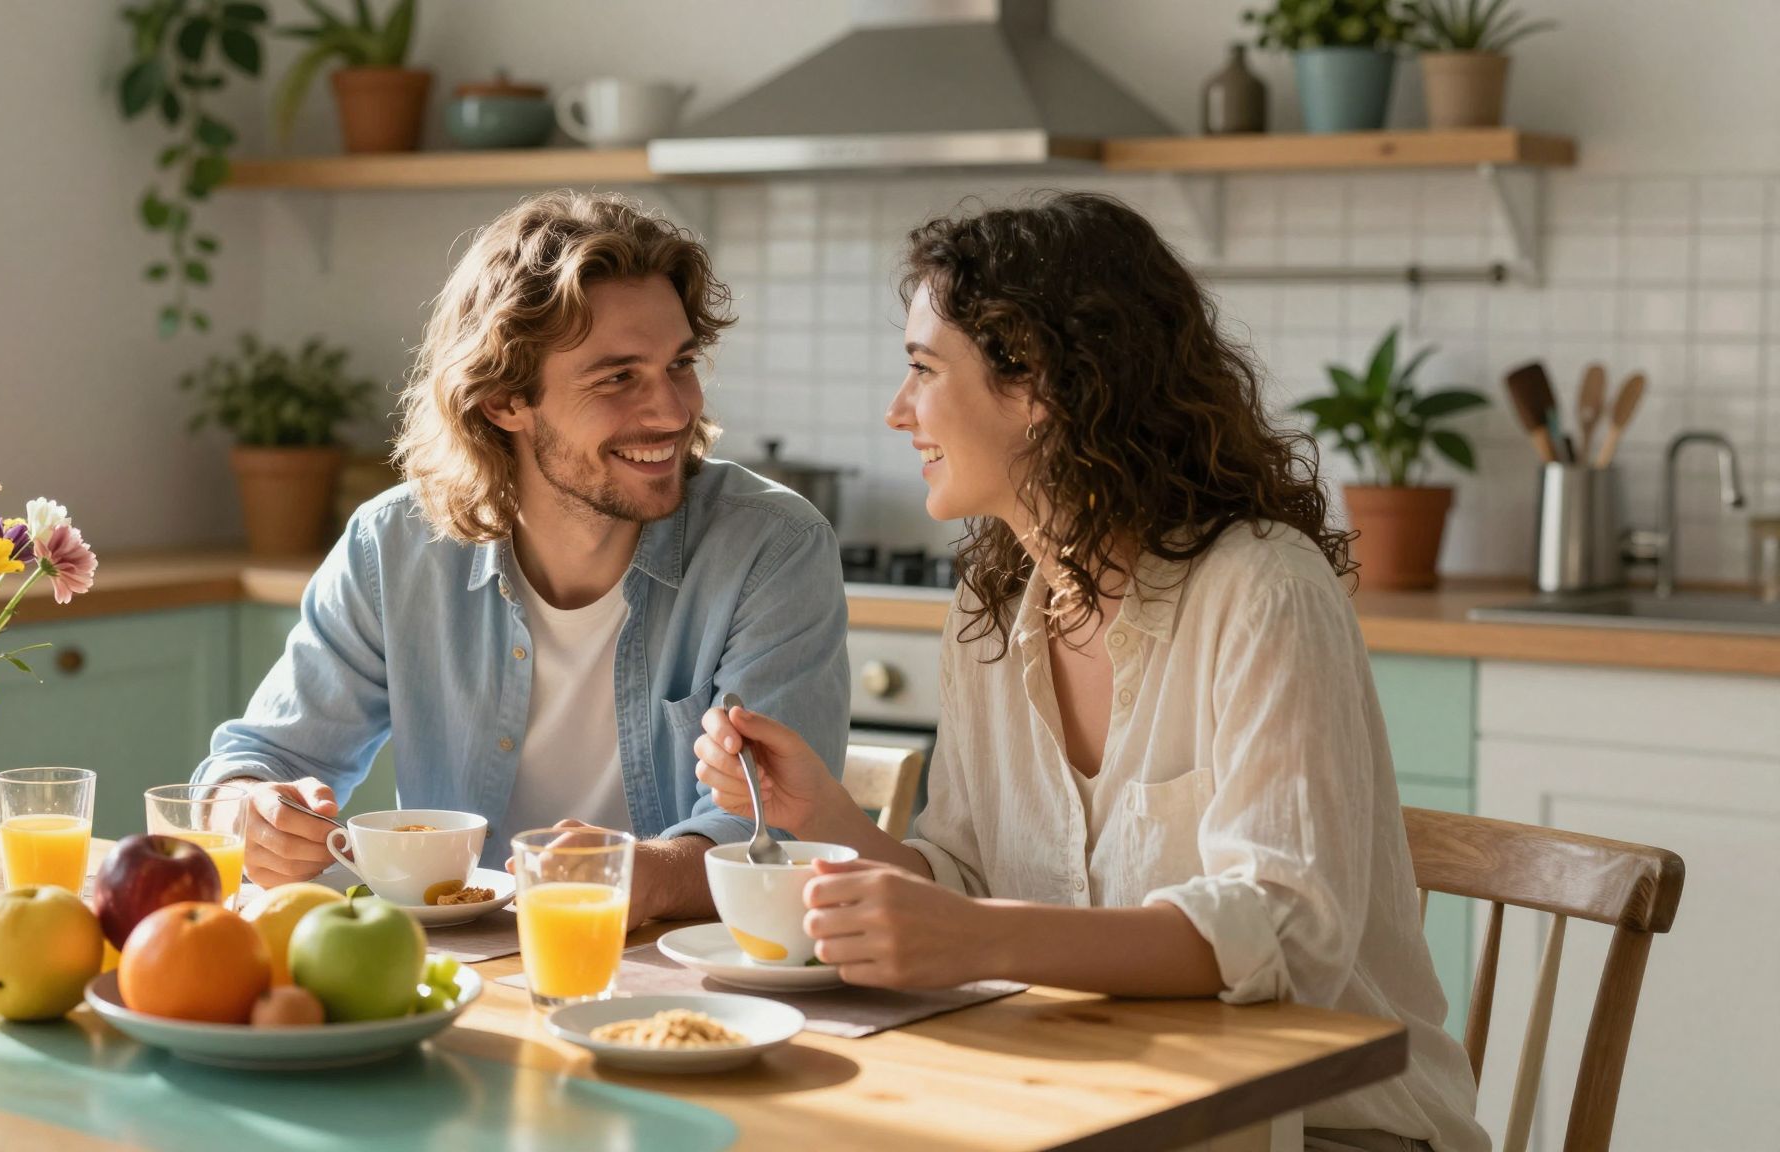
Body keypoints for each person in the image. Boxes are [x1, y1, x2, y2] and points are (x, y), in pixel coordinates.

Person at [693, 192, 1486, 1152]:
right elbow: (968, 880)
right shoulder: (994, 613)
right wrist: (822, 818)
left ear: (1037, 383)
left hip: (1323, 1129)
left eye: (922, 369)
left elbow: (1287, 935)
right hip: (1095, 1102)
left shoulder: (1263, 588)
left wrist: (981, 938)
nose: (897, 410)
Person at [194, 190, 850, 925]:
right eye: (617, 377)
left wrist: (629, 875)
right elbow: (261, 758)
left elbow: (771, 836)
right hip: (460, 981)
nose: (672, 410)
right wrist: (247, 811)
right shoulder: (395, 547)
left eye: (680, 363)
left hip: (688, 978)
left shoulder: (772, 548)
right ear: (506, 400)